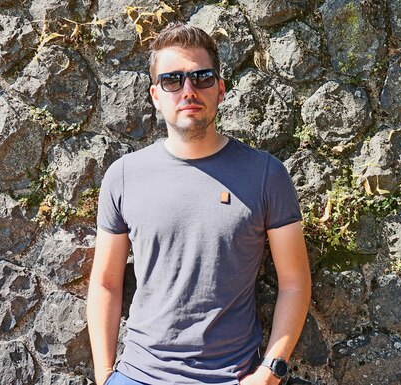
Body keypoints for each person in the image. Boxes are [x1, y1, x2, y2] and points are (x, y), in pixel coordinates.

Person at [87, 22, 311, 385]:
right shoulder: (124, 175)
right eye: (172, 80)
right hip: (137, 376)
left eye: (201, 77)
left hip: (231, 377)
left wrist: (270, 372)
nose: (188, 90)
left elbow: (295, 282)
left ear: (220, 89)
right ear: (156, 95)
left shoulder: (266, 174)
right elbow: (105, 283)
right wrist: (104, 375)